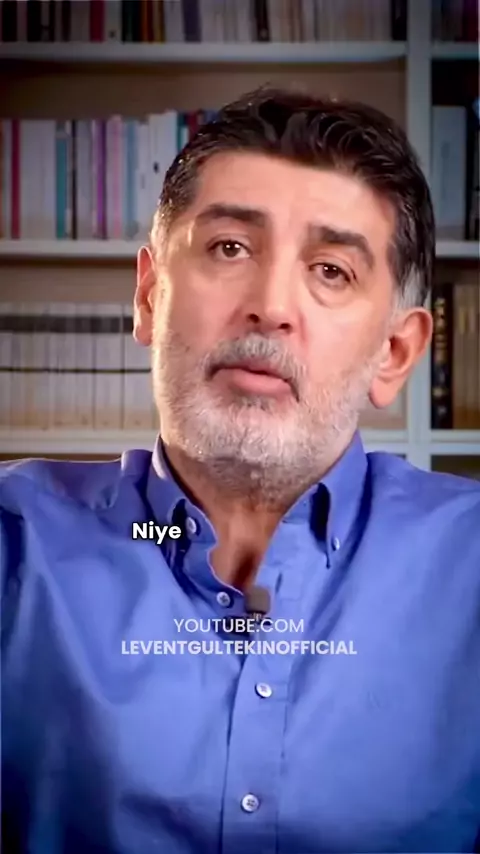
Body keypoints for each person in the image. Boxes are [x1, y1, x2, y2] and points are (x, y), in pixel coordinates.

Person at [1, 86, 479, 854]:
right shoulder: (14, 545)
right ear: (150, 296)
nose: (271, 305)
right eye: (229, 248)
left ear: (394, 354)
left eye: (331, 270)